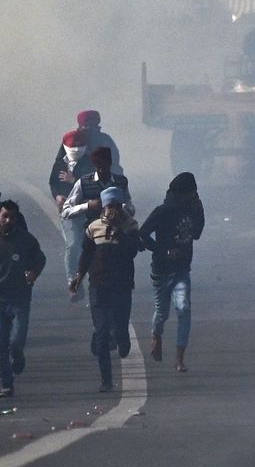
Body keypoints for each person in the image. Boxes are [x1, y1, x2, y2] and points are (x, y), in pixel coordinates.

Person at [69, 188, 142, 392]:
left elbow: (133, 250)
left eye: (117, 206)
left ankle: (123, 337)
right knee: (101, 332)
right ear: (104, 206)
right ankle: (106, 380)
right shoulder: (93, 228)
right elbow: (86, 255)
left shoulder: (130, 226)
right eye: (110, 206)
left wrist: (120, 234)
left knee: (119, 326)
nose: (113, 211)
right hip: (99, 286)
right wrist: (78, 277)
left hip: (122, 286)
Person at [0, 200, 46, 398]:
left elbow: (40, 260)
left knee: (16, 340)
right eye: (5, 216)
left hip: (20, 299)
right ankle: (6, 384)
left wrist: (34, 273)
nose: (8, 220)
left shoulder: (26, 240)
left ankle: (18, 357)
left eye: (12, 217)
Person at [139, 172, 204, 372]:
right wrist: (163, 250)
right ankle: (156, 336)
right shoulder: (163, 211)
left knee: (184, 310)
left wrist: (199, 210)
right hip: (161, 270)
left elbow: (197, 234)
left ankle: (179, 358)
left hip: (182, 270)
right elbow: (142, 234)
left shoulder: (192, 210)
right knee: (162, 313)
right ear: (183, 193)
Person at [60, 147, 131, 300]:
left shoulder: (120, 182)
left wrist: (119, 208)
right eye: (97, 166)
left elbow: (130, 207)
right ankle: (87, 292)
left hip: (116, 233)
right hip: (92, 233)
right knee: (91, 263)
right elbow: (66, 211)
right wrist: (88, 206)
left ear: (110, 164)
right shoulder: (84, 183)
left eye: (104, 165)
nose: (101, 169)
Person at [48, 129, 92, 209]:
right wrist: (57, 196)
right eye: (73, 147)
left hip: (84, 207)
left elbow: (93, 185)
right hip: (65, 206)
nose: (77, 150)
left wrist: (73, 180)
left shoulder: (90, 163)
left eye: (79, 146)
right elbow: (53, 182)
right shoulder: (60, 163)